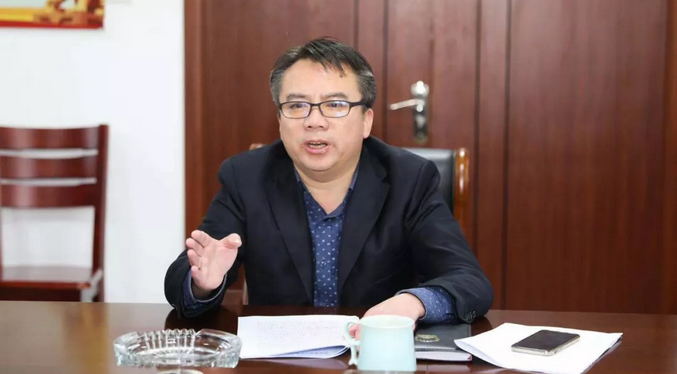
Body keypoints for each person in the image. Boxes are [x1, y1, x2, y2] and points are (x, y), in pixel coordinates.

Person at [165, 38, 493, 325]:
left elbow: (470, 281)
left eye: (335, 105)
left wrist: (413, 303)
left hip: (374, 357)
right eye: (297, 105)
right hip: (280, 362)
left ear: (366, 121)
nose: (314, 121)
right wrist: (202, 284)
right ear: (279, 119)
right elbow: (182, 278)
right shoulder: (247, 177)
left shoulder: (409, 179)